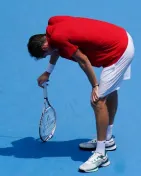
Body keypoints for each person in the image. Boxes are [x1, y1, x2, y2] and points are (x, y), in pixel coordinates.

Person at [27, 15, 135, 173]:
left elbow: (83, 60)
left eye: (45, 55)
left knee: (98, 101)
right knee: (110, 92)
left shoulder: (56, 40)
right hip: (121, 37)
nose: (48, 56)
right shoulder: (52, 26)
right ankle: (108, 139)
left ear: (44, 48)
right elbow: (58, 47)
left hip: (118, 52)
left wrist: (95, 86)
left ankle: (100, 154)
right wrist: (48, 72)